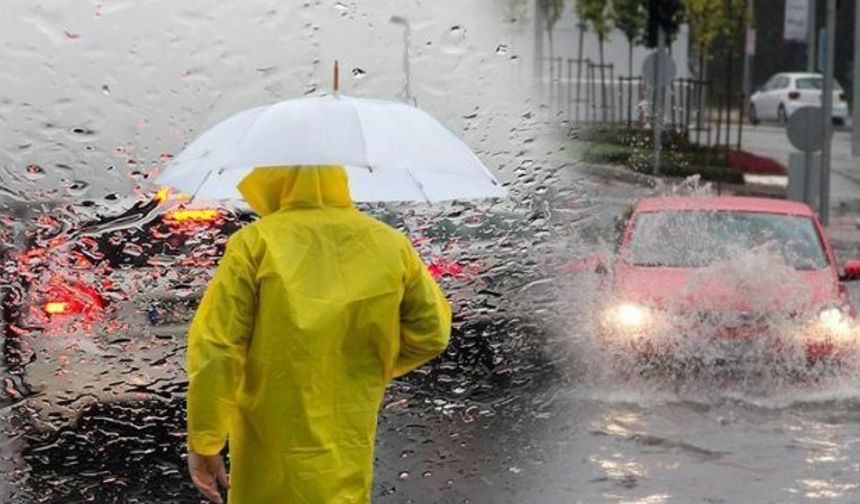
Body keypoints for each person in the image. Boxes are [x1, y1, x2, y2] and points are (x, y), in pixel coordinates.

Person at [185, 166, 452, 503]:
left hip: (267, 442)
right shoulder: (390, 244)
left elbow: (217, 346)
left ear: (276, 179)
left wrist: (205, 441)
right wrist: (365, 367)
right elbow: (433, 333)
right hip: (349, 435)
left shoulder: (256, 242)